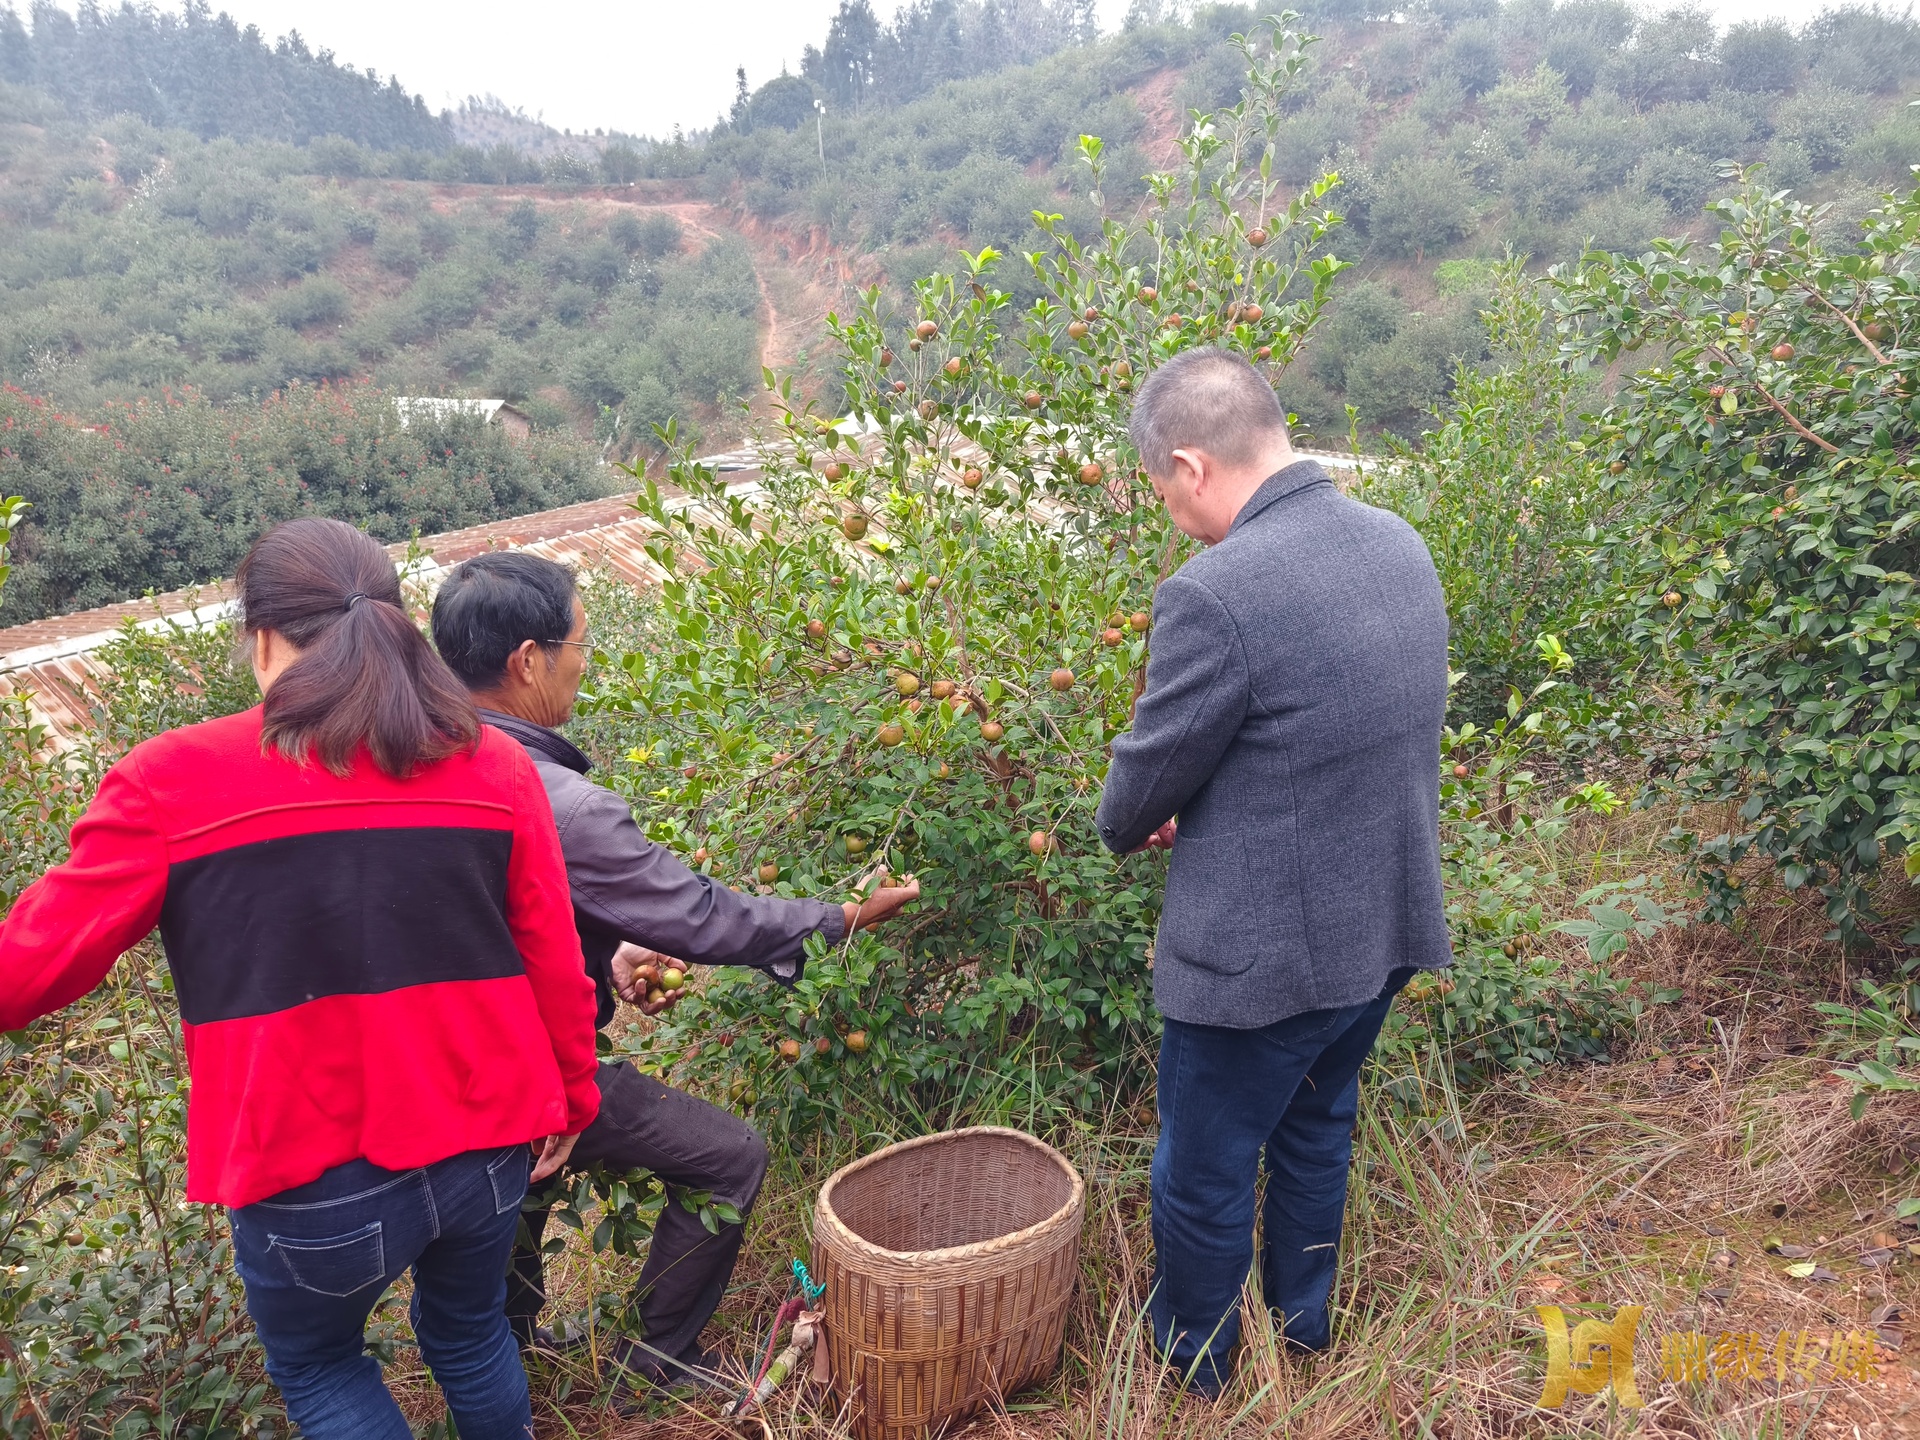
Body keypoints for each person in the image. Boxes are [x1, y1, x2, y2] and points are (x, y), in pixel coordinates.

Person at [0, 519, 600, 1440]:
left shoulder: (172, 781)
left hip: (312, 1171)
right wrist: (569, 1098)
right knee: (473, 1334)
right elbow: (553, 960)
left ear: (264, 637)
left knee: (321, 1369)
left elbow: (28, 971)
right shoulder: (494, 765)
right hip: (488, 1139)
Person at [428, 551, 919, 1404]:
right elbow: (700, 915)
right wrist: (835, 917)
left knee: (505, 1202)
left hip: (437, 1067)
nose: (585, 662)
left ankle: (511, 1352)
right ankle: (648, 1367)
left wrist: (603, 946)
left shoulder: (417, 758)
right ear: (527, 660)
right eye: (580, 642)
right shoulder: (557, 800)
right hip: (526, 1069)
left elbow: (489, 909)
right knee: (728, 1159)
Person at [1095, 349, 1453, 1396]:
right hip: (1380, 928)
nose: (1171, 512)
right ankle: (1301, 1327)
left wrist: (1150, 812)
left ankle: (1198, 1366)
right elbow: (1327, 741)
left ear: (1192, 464)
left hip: (1259, 963)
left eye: (1164, 490)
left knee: (1204, 1167)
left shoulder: (1217, 592)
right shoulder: (1398, 543)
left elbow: (1136, 791)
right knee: (1316, 1128)